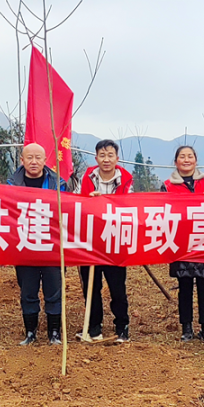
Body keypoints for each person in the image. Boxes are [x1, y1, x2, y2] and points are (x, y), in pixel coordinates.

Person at [7, 143, 69, 345]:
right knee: (28, 291)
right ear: (22, 160)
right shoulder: (10, 185)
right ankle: (30, 332)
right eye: (29, 158)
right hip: (24, 246)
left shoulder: (58, 184)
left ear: (45, 160)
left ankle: (54, 332)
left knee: (54, 291)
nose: (34, 162)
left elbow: (70, 211)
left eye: (38, 158)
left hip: (52, 247)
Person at [162, 145, 204, 343]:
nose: (186, 160)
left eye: (190, 156)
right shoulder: (167, 185)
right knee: (184, 287)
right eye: (182, 156)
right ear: (175, 161)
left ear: (196, 160)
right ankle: (186, 327)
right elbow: (161, 212)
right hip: (180, 242)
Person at [76, 139, 134, 342]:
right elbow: (77, 203)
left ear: (117, 158)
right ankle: (94, 327)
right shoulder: (87, 178)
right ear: (96, 158)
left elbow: (130, 207)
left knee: (117, 287)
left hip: (115, 241)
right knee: (91, 287)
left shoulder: (126, 180)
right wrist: (89, 199)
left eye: (110, 155)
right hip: (89, 241)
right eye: (102, 155)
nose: (106, 159)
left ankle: (122, 326)